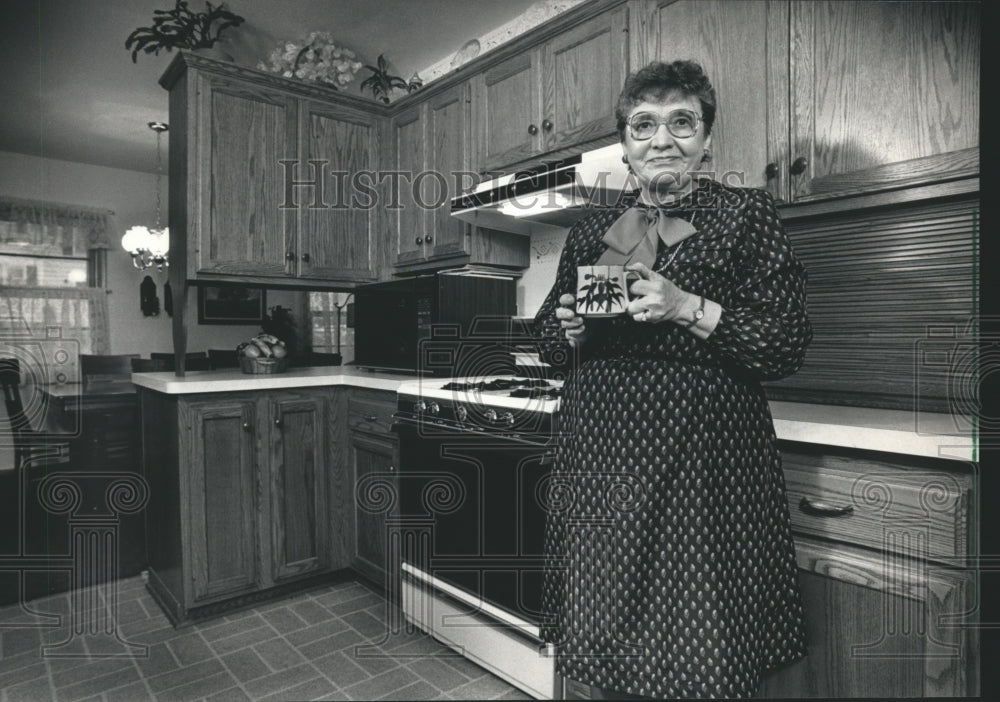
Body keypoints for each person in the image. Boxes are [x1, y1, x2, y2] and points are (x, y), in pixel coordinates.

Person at [533, 59, 812, 699]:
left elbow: (786, 342)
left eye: (681, 122)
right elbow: (548, 338)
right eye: (644, 125)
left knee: (700, 631)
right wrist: (569, 331)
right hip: (602, 458)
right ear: (626, 145)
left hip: (702, 466)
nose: (662, 139)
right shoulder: (590, 234)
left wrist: (685, 306)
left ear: (706, 138)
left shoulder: (745, 215)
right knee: (605, 623)